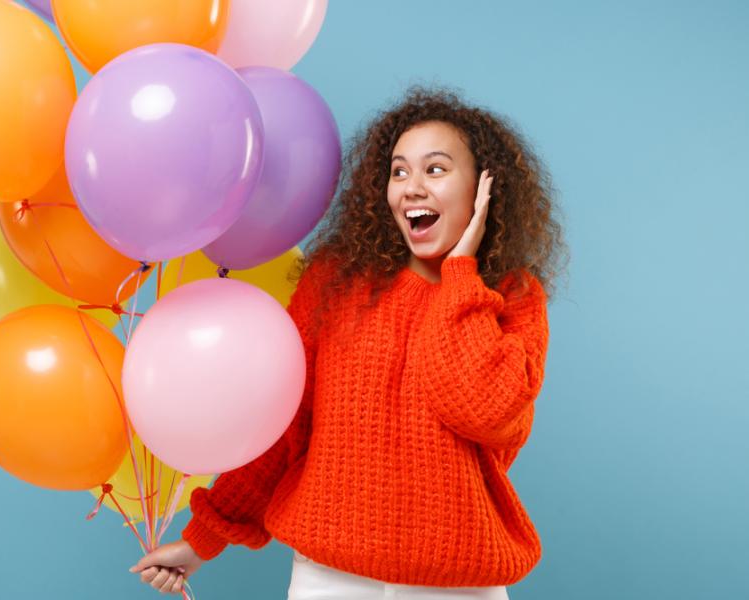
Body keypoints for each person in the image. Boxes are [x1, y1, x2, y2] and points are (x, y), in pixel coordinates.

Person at [129, 85, 569, 598]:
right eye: (399, 172)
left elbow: (483, 408)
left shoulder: (510, 296)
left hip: (457, 583)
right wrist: (200, 541)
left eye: (435, 169)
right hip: (328, 576)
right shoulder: (336, 281)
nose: (412, 187)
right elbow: (283, 428)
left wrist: (460, 275)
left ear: (483, 186)